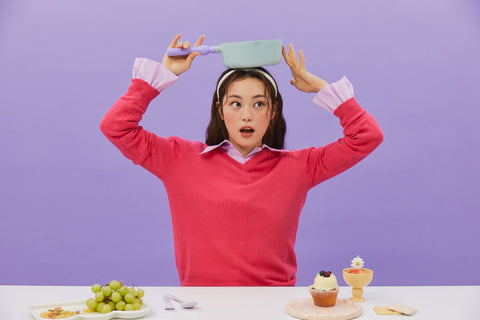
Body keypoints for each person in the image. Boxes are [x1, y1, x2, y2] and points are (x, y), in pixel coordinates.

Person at [100, 34, 383, 286]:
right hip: (202, 309)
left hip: (274, 309)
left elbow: (367, 135)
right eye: (236, 103)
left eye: (258, 104)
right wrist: (161, 75)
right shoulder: (180, 159)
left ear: (272, 112)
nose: (247, 114)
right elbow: (116, 126)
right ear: (221, 110)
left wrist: (320, 87)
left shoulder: (300, 166)